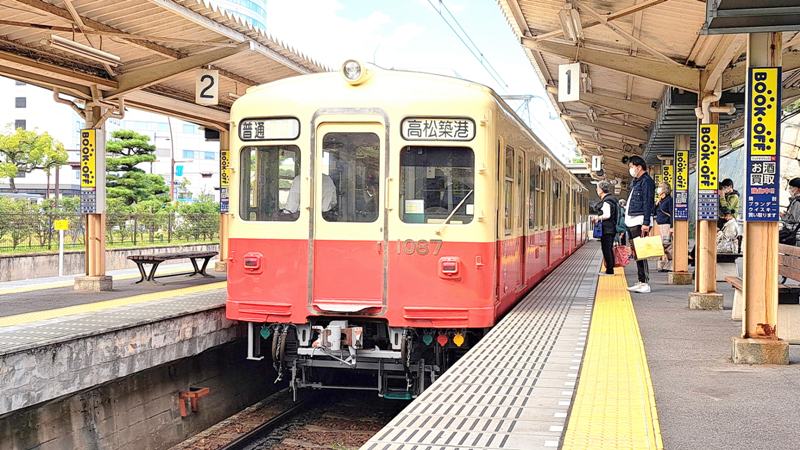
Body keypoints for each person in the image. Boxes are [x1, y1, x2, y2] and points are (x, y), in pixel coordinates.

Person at [624, 156, 656, 293]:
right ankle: (640, 280)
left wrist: (646, 223)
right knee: (637, 252)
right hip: (633, 220)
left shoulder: (647, 182)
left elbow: (648, 202)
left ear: (638, 166)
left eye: (631, 166)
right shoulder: (637, 182)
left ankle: (645, 283)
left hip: (639, 221)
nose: (631, 169)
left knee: (641, 252)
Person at [596, 181, 619, 276]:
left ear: (601, 190)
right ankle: (610, 268)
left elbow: (607, 215)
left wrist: (598, 218)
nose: (597, 190)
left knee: (606, 249)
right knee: (608, 248)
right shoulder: (612, 199)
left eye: (597, 188)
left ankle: (610, 270)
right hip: (611, 228)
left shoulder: (607, 201)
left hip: (607, 229)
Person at [655, 182, 673, 272]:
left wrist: (672, 227)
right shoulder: (660, 200)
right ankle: (664, 264)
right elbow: (654, 211)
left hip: (666, 225)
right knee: (662, 245)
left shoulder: (669, 200)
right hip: (660, 224)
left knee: (667, 245)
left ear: (664, 190)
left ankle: (670, 264)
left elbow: (672, 213)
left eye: (660, 187)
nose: (658, 189)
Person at [780, 177, 800, 245]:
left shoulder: (797, 202)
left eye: (792, 187)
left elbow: (794, 219)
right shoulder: (795, 200)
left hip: (793, 233)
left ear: (798, 189)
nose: (789, 189)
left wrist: (783, 216)